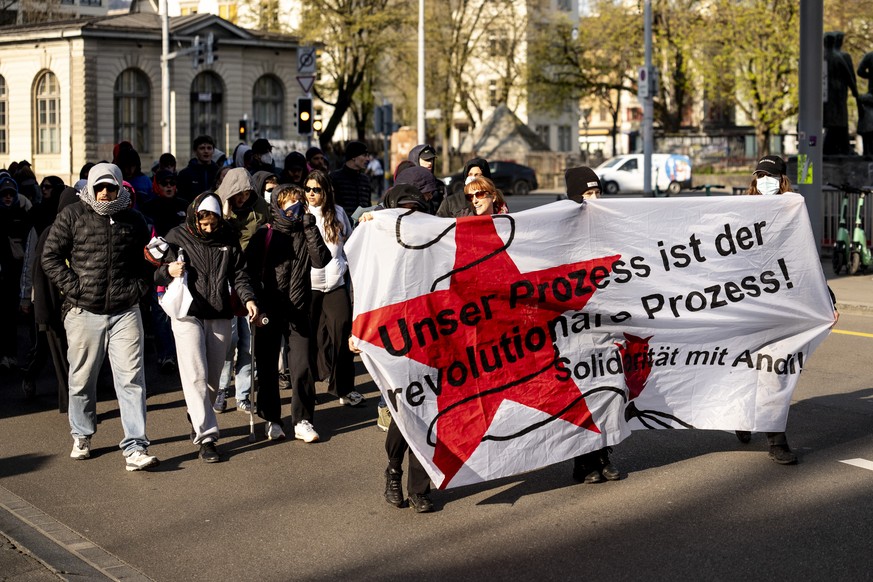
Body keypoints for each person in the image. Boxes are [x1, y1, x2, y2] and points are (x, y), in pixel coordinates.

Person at [41, 163, 159, 471]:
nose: (105, 193)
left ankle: (135, 446)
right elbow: (50, 256)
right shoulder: (73, 215)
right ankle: (81, 434)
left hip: (125, 310)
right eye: (99, 187)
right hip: (84, 311)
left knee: (132, 380)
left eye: (111, 187)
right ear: (91, 188)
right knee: (81, 377)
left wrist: (138, 287)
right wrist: (75, 288)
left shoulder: (134, 219)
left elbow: (146, 261)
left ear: (120, 187)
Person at [735, 155, 839, 464]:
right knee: (745, 368)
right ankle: (741, 418)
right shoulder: (739, 212)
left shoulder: (792, 211)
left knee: (775, 370)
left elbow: (806, 261)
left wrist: (828, 299)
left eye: (770, 175)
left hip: (781, 304)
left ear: (782, 180)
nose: (764, 180)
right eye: (759, 175)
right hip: (746, 304)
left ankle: (775, 439)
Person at [155, 192, 258, 463]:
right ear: (194, 218)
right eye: (204, 224)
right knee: (197, 375)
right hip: (188, 312)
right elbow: (156, 271)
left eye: (213, 224)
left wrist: (248, 298)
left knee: (212, 377)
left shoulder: (228, 236)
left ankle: (197, 412)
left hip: (220, 311)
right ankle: (208, 437)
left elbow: (240, 273)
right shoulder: (176, 235)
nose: (209, 229)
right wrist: (169, 272)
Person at [353, 183, 434, 513]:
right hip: (391, 335)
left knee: (426, 409)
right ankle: (393, 469)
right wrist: (357, 331)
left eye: (415, 210)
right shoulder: (376, 239)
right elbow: (363, 284)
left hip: (429, 331)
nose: (409, 216)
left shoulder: (432, 237)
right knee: (403, 411)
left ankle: (419, 489)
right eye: (403, 210)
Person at [245, 184, 331, 442]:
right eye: (289, 203)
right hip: (268, 309)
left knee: (303, 366)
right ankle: (272, 419)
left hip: (299, 308)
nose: (294, 207)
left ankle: (303, 420)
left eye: (298, 202)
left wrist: (310, 226)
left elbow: (321, 260)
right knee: (268, 366)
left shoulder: (306, 231)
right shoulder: (265, 234)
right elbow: (247, 272)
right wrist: (254, 303)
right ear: (278, 207)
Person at [563, 165, 623, 483]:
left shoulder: (608, 225)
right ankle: (583, 462)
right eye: (587, 194)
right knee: (582, 391)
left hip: (604, 320)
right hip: (573, 325)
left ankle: (603, 455)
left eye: (597, 192)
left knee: (608, 388)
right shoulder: (560, 229)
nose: (594, 199)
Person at [304, 170, 363, 407]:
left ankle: (344, 388)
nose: (310, 194)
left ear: (326, 191)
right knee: (310, 339)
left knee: (342, 335)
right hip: (309, 286)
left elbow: (351, 241)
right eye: (307, 189)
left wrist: (346, 266)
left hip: (336, 283)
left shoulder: (338, 212)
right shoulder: (302, 213)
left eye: (316, 189)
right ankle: (308, 388)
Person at [215, 168, 270, 413]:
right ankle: (221, 389)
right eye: (238, 194)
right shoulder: (216, 204)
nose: (243, 199)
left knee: (248, 342)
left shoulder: (259, 207)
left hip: (251, 276)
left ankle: (243, 393)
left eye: (247, 194)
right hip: (223, 278)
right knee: (229, 340)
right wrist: (225, 216)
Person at [142, 169, 190, 373]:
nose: (169, 186)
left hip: (184, 266)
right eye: (164, 183)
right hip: (160, 267)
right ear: (157, 185)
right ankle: (166, 356)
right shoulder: (149, 207)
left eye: (172, 183)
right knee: (161, 313)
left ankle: (183, 356)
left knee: (183, 311)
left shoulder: (184, 205)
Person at [0, 174, 33, 370]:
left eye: (11, 194)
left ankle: (12, 354)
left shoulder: (23, 214)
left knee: (12, 316)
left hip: (16, 272)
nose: (7, 198)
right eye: (4, 194)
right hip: (5, 271)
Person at [329, 140, 372, 218]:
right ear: (353, 157)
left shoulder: (365, 180)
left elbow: (368, 206)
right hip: (342, 226)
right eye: (364, 155)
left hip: (363, 226)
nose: (367, 159)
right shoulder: (334, 178)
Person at [178, 135, 220, 201]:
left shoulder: (219, 173)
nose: (206, 151)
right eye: (202, 148)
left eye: (209, 148)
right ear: (195, 151)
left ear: (213, 151)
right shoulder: (185, 174)